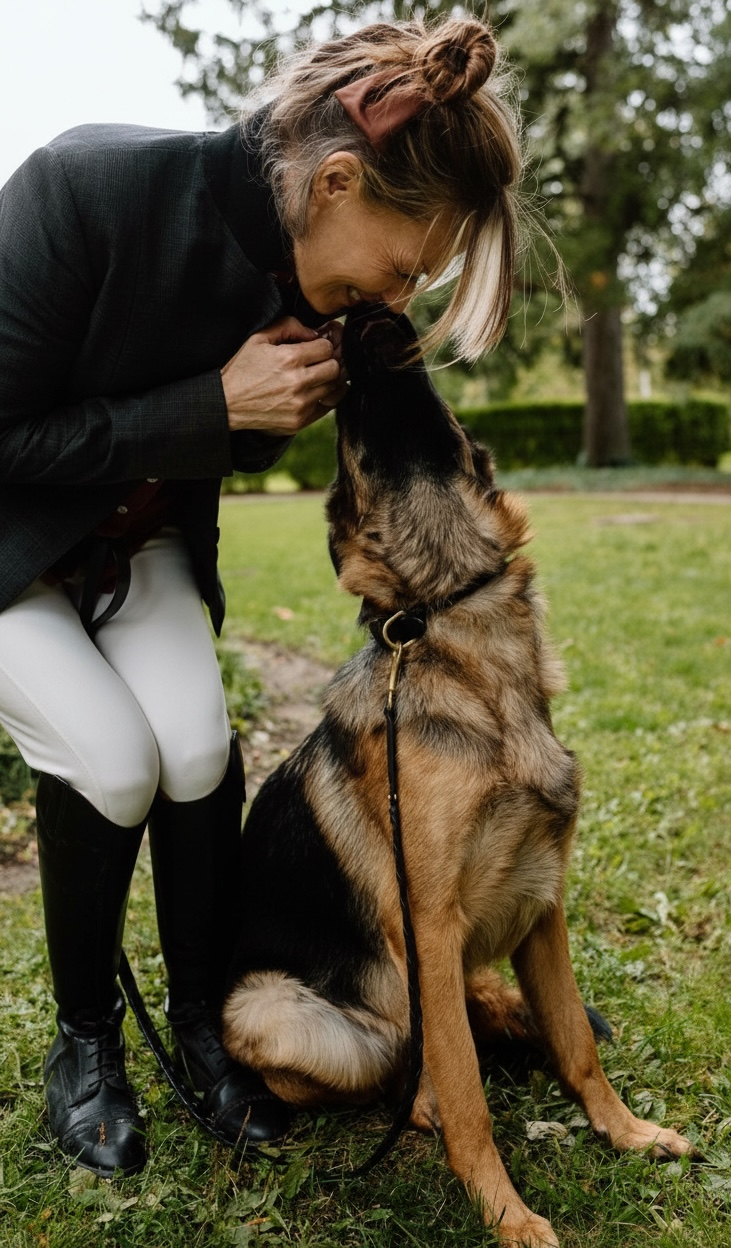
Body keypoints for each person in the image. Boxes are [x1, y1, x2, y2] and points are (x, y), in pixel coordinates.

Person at [0, 15, 526, 1176]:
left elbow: (204, 447)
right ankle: (84, 1046)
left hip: (136, 552)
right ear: (335, 181)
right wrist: (209, 406)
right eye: (401, 264)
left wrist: (250, 413)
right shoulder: (81, 188)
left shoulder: (297, 269)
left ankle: (202, 1028)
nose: (393, 294)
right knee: (113, 758)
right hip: (8, 558)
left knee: (193, 747)